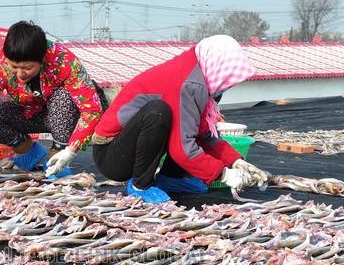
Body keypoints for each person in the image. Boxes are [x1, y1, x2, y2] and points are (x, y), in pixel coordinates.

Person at [91, 34, 269, 203]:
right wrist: (224, 174)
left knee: (184, 126)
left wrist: (236, 162)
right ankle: (140, 185)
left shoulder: (196, 74)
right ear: (218, 67)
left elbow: (203, 134)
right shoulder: (189, 84)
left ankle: (171, 178)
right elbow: (182, 150)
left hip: (127, 150)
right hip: (112, 155)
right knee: (158, 113)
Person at [0, 21, 105, 180]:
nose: (20, 74)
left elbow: (91, 110)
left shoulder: (63, 60)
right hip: (28, 113)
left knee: (64, 96)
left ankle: (57, 156)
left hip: (64, 116)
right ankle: (30, 152)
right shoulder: (0, 63)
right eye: (14, 67)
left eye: (27, 68)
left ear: (42, 59)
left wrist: (71, 150)